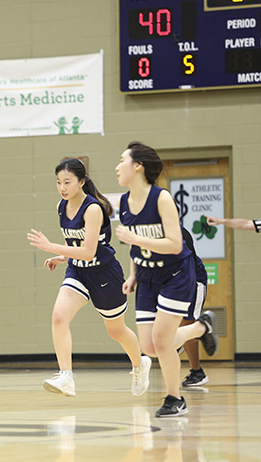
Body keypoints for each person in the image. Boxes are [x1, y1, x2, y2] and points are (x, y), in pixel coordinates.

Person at [27, 158, 151, 397]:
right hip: (78, 271)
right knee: (59, 317)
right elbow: (75, 242)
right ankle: (66, 377)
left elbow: (89, 251)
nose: (62, 187)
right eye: (58, 182)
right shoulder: (61, 206)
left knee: (115, 331)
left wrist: (52, 247)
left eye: (67, 182)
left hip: (105, 274)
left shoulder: (93, 209)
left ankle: (140, 364)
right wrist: (62, 257)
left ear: (81, 182)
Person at [115, 141, 219, 417]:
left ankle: (175, 398)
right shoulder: (124, 202)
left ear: (138, 166)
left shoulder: (161, 198)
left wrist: (136, 238)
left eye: (122, 160)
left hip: (175, 273)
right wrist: (133, 274)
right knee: (149, 346)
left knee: (162, 341)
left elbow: (175, 243)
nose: (117, 166)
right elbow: (135, 247)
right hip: (147, 275)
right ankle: (201, 328)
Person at [179, 227, 210, 387]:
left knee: (188, 324)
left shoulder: (180, 233)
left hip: (192, 281)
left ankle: (197, 372)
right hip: (170, 283)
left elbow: (188, 265)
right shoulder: (148, 232)